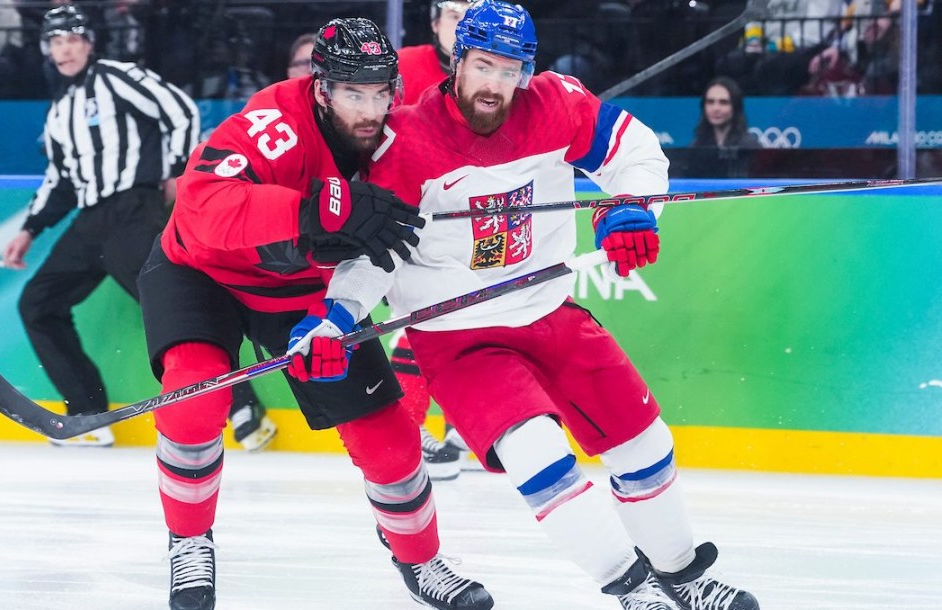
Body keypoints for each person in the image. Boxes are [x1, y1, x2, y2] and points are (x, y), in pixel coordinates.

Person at [289, 2, 761, 609]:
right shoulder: (404, 141)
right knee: (539, 455)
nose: (495, 85)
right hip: (462, 338)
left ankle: (683, 576)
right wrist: (340, 315)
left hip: (552, 313)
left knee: (647, 444)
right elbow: (379, 253)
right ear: (457, 61)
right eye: (484, 65)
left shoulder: (557, 103)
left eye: (511, 70)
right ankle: (631, 588)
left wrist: (636, 206)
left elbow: (638, 154)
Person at [135, 17, 492, 610]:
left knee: (391, 443)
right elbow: (200, 205)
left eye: (381, 92)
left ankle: (422, 559)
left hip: (304, 297)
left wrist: (338, 318)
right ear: (321, 88)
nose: (370, 108)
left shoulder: (397, 142)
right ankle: (189, 540)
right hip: (201, 271)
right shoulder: (276, 122)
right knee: (194, 396)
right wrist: (316, 209)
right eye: (354, 92)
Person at [0, 5, 198, 447]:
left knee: (169, 306)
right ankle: (88, 412)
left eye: (72, 39)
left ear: (89, 43)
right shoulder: (58, 113)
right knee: (38, 304)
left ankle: (237, 407)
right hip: (91, 221)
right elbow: (60, 181)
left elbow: (180, 109)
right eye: (56, 41)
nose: (64, 49)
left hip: (134, 210)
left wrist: (177, 170)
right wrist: (29, 229)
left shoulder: (116, 76)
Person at [392, 0, 477, 481]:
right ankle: (408, 431)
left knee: (478, 318)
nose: (461, 23)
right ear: (434, 23)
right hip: (414, 217)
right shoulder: (404, 66)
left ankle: (466, 427)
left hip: (474, 219)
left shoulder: (496, 69)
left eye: (471, 13)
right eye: (453, 14)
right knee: (418, 319)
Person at [683, 76, 759, 178]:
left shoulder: (749, 146)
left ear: (735, 107)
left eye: (723, 102)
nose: (716, 108)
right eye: (710, 102)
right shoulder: (696, 146)